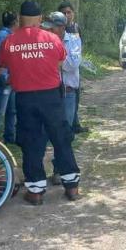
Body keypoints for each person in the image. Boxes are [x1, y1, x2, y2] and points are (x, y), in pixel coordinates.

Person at [0, 1, 81, 205]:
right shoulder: (52, 38)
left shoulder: (10, 41)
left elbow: (3, 64)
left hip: (25, 98)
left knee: (31, 142)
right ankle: (72, 188)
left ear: (19, 18)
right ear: (40, 18)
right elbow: (60, 62)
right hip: (51, 96)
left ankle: (35, 192)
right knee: (61, 137)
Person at [42, 11, 82, 186]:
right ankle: (38, 171)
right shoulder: (43, 41)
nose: (49, 31)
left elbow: (72, 64)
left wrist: (55, 54)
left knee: (63, 133)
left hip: (67, 92)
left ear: (61, 27)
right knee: (44, 131)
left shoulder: (73, 40)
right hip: (48, 92)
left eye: (52, 28)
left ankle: (60, 170)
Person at [0, 11, 18, 144]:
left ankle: (9, 138)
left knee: (12, 110)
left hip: (10, 81)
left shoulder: (7, 35)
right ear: (14, 23)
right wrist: (5, 78)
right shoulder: (3, 36)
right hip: (3, 81)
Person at [58, 0, 88, 134]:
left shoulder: (76, 28)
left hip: (73, 70)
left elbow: (78, 50)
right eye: (63, 13)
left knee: (75, 96)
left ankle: (75, 124)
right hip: (58, 78)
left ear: (73, 14)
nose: (66, 15)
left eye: (68, 12)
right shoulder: (53, 32)